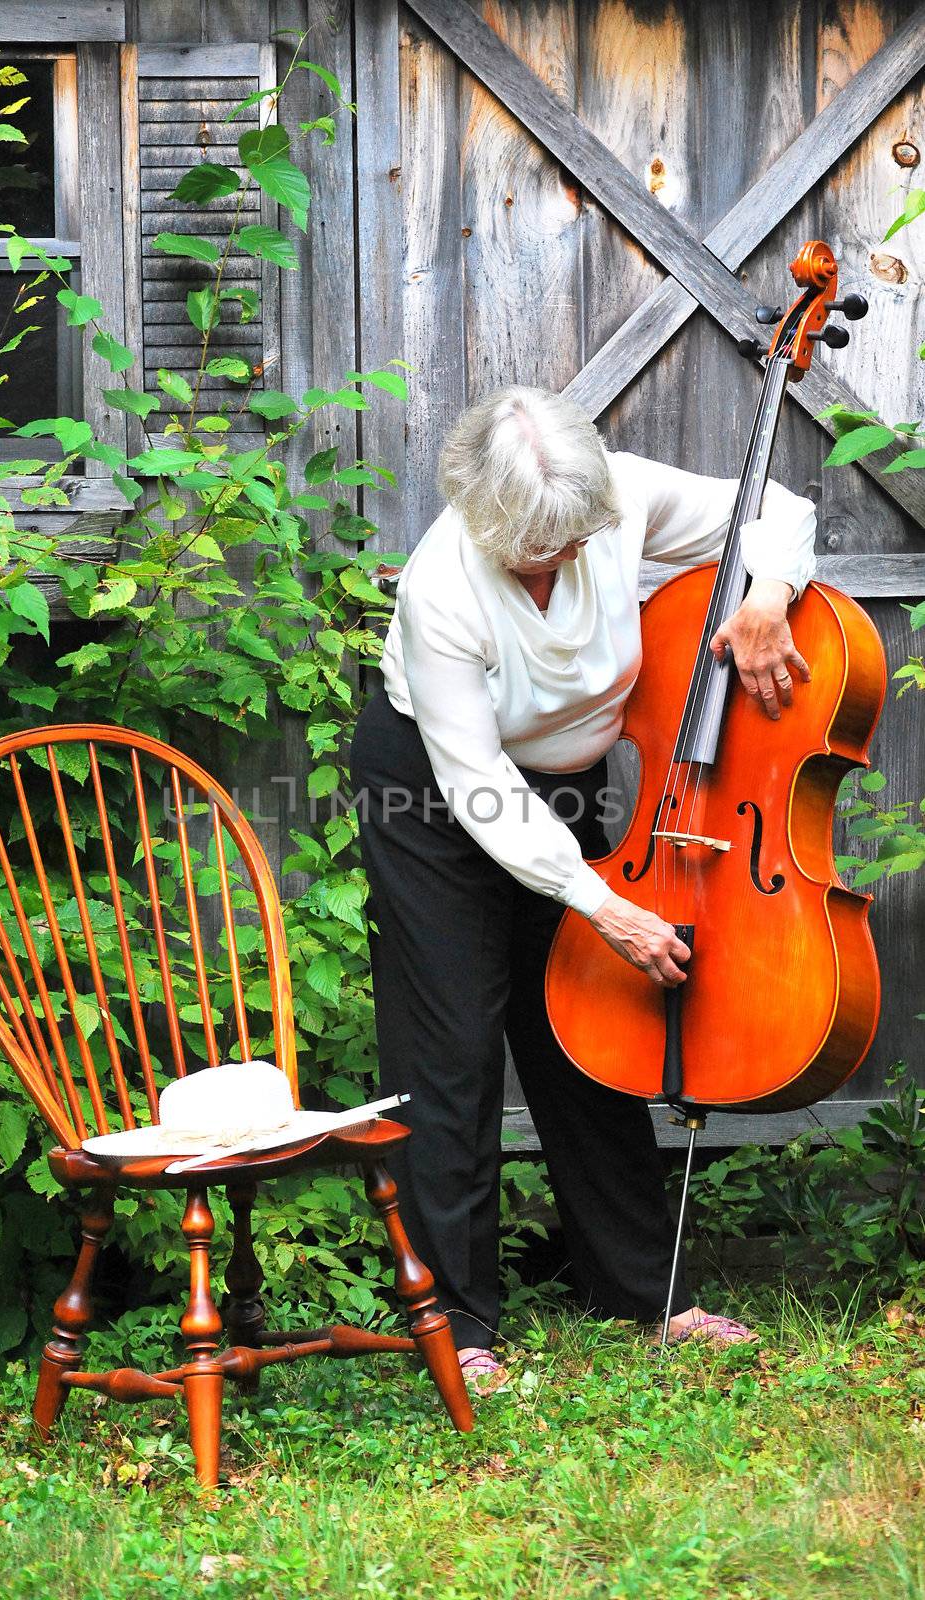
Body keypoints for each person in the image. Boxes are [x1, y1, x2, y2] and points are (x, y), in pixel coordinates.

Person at [348, 385, 817, 1391]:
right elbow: (478, 791)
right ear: (486, 521)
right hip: (434, 795)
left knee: (584, 1027)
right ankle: (458, 1320)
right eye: (534, 551)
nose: (556, 563)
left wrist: (768, 595)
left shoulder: (622, 498)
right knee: (453, 1047)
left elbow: (781, 511)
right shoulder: (442, 588)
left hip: (561, 786)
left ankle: (646, 1294)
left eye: (571, 543)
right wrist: (603, 906)